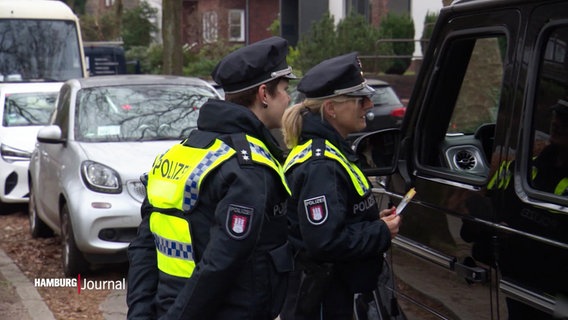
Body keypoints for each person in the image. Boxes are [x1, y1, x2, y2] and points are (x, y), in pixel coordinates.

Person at [126, 36, 296, 320]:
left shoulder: (178, 154)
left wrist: (141, 314)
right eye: (285, 89)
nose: (290, 98)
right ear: (264, 94)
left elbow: (144, 247)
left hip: (167, 307)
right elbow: (221, 265)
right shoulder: (248, 167)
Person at [279, 52, 402, 320]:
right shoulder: (321, 166)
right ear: (331, 109)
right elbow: (325, 242)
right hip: (325, 299)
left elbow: (337, 218)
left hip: (334, 292)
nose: (369, 105)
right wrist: (379, 232)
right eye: (360, 100)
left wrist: (371, 221)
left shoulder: (331, 153)